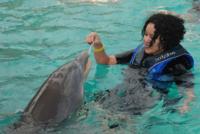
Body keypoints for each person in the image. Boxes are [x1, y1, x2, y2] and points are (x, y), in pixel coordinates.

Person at [85, 13, 195, 113]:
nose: (146, 39)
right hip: (125, 90)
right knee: (93, 105)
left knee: (118, 121)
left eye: (152, 37)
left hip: (147, 98)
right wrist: (98, 45)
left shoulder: (175, 64)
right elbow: (105, 61)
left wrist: (186, 104)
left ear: (166, 40)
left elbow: (188, 89)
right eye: (146, 34)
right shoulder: (140, 52)